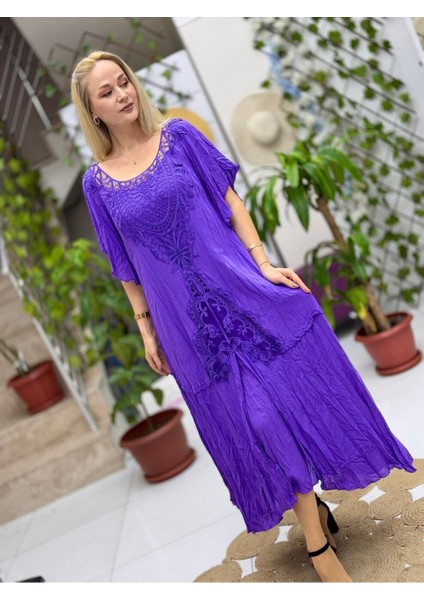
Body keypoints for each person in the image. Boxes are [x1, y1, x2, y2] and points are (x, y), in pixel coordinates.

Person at [71, 51, 415, 583]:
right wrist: (146, 328)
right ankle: (314, 520)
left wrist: (265, 264)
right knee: (254, 421)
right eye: (107, 91)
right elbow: (124, 264)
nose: (122, 94)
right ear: (93, 111)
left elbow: (231, 202)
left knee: (281, 404)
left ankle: (317, 544)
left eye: (124, 82)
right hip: (186, 323)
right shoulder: (97, 184)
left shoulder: (179, 137)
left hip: (239, 290)